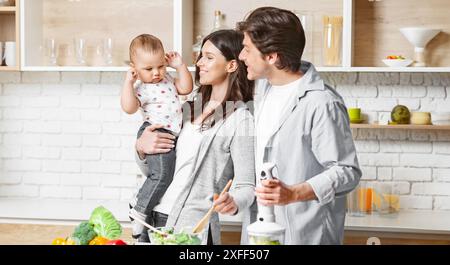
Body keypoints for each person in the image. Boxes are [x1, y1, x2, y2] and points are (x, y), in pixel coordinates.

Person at [237, 7, 362, 244]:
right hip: (260, 229)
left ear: (272, 56)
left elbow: (347, 171)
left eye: (247, 49)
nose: (242, 56)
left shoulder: (321, 102)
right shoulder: (263, 89)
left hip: (305, 234)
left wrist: (294, 193)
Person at [134, 29, 256, 244]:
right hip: (152, 218)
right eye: (201, 56)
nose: (200, 63)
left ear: (231, 65)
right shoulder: (188, 109)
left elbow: (247, 185)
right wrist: (141, 150)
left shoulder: (241, 119)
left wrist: (234, 201)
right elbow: (156, 169)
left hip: (192, 228)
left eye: (209, 57)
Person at [120, 34, 193, 239]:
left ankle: (140, 200)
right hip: (154, 130)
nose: (156, 73)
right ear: (135, 67)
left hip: (170, 132)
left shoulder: (168, 78)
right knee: (161, 175)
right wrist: (128, 82)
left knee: (163, 175)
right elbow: (129, 107)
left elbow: (186, 88)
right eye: (148, 69)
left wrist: (179, 67)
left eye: (160, 66)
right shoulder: (141, 88)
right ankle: (139, 210)